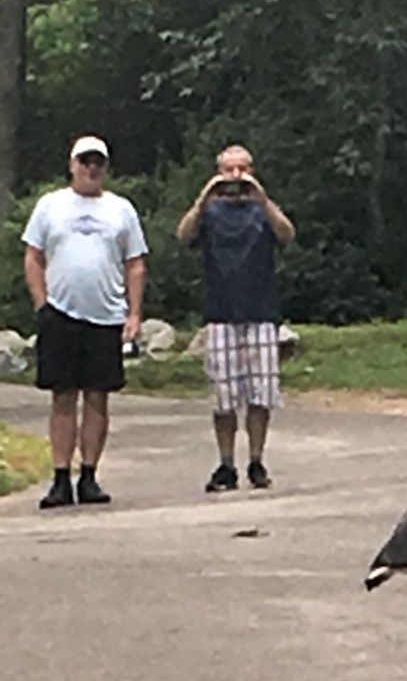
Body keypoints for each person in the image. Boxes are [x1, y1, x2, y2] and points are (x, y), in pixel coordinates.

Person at [22, 135, 148, 509]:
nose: (91, 169)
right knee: (63, 396)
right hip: (60, 313)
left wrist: (134, 312)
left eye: (98, 163)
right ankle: (60, 477)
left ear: (105, 168)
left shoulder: (121, 209)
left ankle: (89, 475)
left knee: (97, 396)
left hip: (106, 314)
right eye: (85, 162)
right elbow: (33, 255)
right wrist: (41, 302)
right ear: (72, 165)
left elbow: (135, 262)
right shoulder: (51, 206)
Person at [177, 143, 295, 492]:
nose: (235, 177)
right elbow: (183, 235)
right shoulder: (210, 214)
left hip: (260, 311)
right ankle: (226, 463)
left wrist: (262, 199)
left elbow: (288, 234)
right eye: (228, 169)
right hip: (222, 313)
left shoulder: (262, 211)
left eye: (242, 169)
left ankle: (256, 460)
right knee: (224, 396)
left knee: (261, 393)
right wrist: (204, 199)